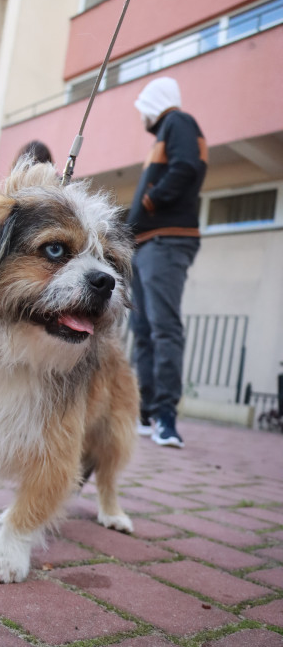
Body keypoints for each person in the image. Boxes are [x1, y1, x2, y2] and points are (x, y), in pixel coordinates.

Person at [127, 77, 207, 448]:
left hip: (166, 241)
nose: (141, 114)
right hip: (146, 244)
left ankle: (165, 416)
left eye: (144, 105)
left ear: (155, 103)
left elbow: (187, 167)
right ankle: (145, 412)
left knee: (162, 327)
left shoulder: (179, 122)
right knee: (143, 330)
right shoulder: (165, 134)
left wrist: (150, 201)